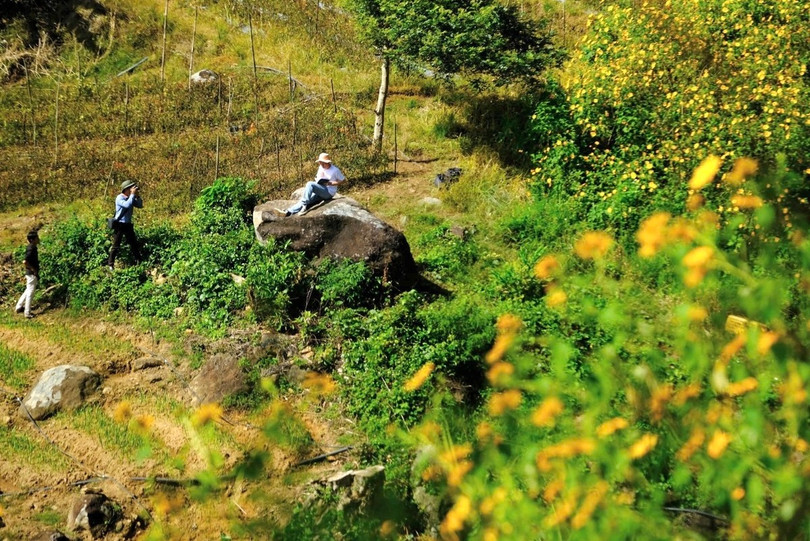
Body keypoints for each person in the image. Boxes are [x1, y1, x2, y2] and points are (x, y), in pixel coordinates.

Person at [275, 152, 346, 217]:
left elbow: (343, 180)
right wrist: (319, 181)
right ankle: (288, 212)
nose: (321, 164)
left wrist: (331, 183)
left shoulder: (335, 170)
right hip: (321, 189)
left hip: (328, 192)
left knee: (309, 184)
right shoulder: (321, 168)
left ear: (327, 162)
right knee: (307, 199)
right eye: (320, 163)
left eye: (322, 163)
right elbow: (318, 177)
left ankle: (304, 205)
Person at [107, 179, 143, 270]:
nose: (133, 189)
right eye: (131, 187)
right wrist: (132, 195)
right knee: (116, 245)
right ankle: (110, 264)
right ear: (126, 189)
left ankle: (139, 261)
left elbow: (139, 205)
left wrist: (137, 196)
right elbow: (127, 205)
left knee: (133, 244)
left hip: (128, 225)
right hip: (120, 224)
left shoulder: (131, 197)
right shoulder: (120, 198)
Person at [15, 230, 39, 319]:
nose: (38, 239)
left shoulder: (32, 247)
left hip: (30, 273)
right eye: (37, 238)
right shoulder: (31, 248)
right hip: (31, 273)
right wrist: (33, 270)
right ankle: (27, 313)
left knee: (28, 290)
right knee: (30, 293)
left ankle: (19, 306)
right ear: (32, 240)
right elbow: (25, 261)